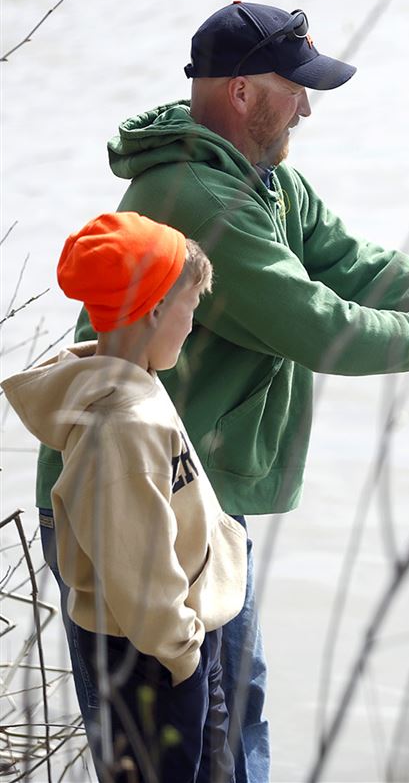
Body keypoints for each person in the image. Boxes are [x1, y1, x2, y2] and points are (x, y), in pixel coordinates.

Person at [34, 0, 409, 783]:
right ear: (241, 93)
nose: (308, 107)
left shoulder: (267, 183)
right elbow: (315, 324)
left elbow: (358, 269)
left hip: (203, 500)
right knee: (162, 748)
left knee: (238, 710)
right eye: (295, 88)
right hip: (134, 505)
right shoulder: (199, 198)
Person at [4, 212, 246, 782]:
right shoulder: (121, 424)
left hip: (171, 643)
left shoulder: (134, 382)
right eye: (190, 308)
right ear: (157, 308)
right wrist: (184, 652)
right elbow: (137, 568)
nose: (192, 325)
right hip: (152, 656)